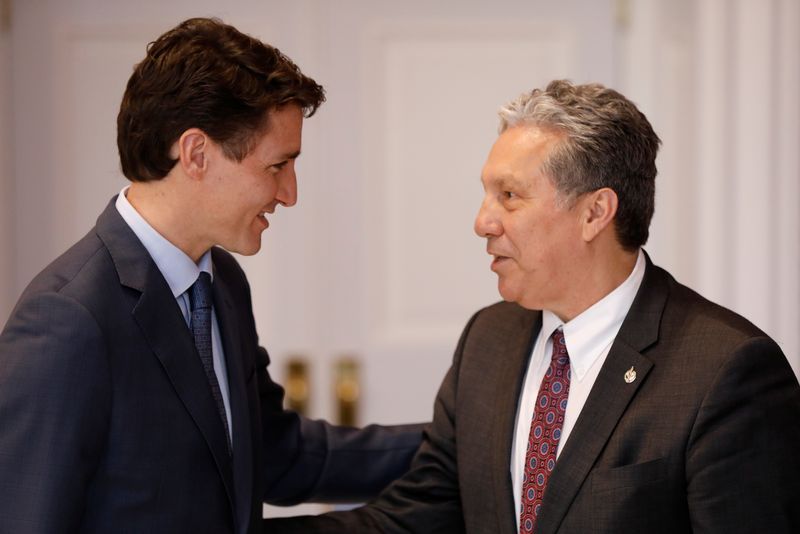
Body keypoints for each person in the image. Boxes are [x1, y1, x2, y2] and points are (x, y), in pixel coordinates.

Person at [265, 80, 800, 533]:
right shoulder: (489, 339)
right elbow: (420, 513)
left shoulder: (726, 371)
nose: (483, 222)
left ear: (595, 213)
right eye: (486, 195)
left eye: (510, 196)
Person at [0, 17, 424, 534]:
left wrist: (457, 445)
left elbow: (273, 453)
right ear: (197, 153)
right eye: (277, 166)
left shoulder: (220, 282)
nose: (290, 192)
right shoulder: (68, 320)